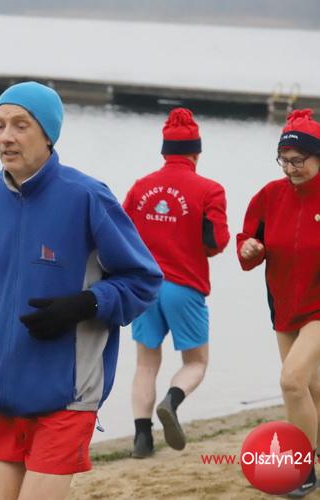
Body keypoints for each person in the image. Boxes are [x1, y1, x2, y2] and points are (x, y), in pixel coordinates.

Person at [0, 81, 162, 500]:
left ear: (48, 134)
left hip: (66, 395)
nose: (6, 137)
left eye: (20, 125)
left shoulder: (87, 197)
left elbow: (143, 280)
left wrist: (86, 303)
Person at [238, 109, 320, 496]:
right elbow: (248, 239)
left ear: (319, 157)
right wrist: (249, 248)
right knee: (309, 390)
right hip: (285, 304)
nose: (290, 169)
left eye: (298, 160)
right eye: (283, 160)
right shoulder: (269, 196)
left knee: (291, 380)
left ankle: (300, 469)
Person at [122, 108, 229, 457]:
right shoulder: (210, 190)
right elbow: (216, 241)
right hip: (185, 286)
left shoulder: (141, 186)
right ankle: (172, 399)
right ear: (196, 152)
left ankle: (142, 438)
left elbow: (121, 234)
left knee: (145, 364)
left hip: (145, 287)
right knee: (196, 362)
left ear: (165, 151)